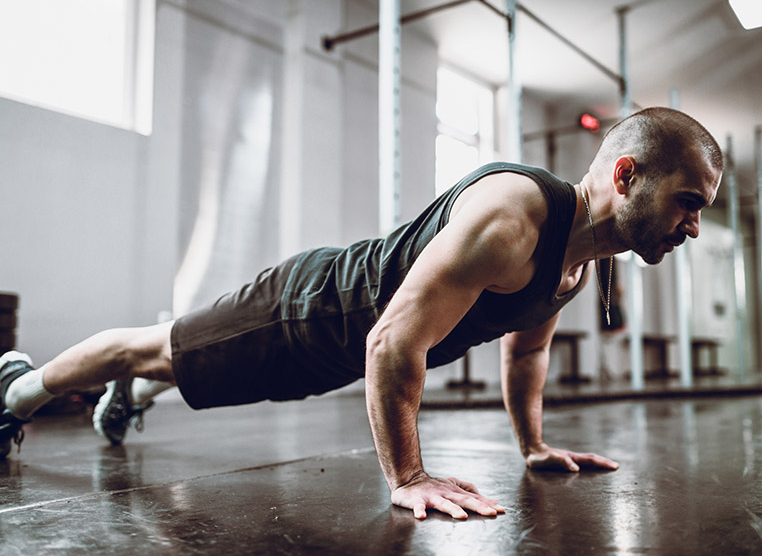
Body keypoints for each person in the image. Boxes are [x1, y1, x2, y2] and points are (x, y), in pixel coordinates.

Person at [0, 107, 723, 520]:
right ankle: (17, 388)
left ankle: (134, 394)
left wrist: (531, 446)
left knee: (190, 369)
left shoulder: (572, 262)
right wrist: (407, 477)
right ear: (626, 176)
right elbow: (390, 341)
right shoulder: (513, 217)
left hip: (339, 354)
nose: (692, 227)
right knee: (149, 346)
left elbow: (525, 352)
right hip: (307, 310)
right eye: (688, 202)